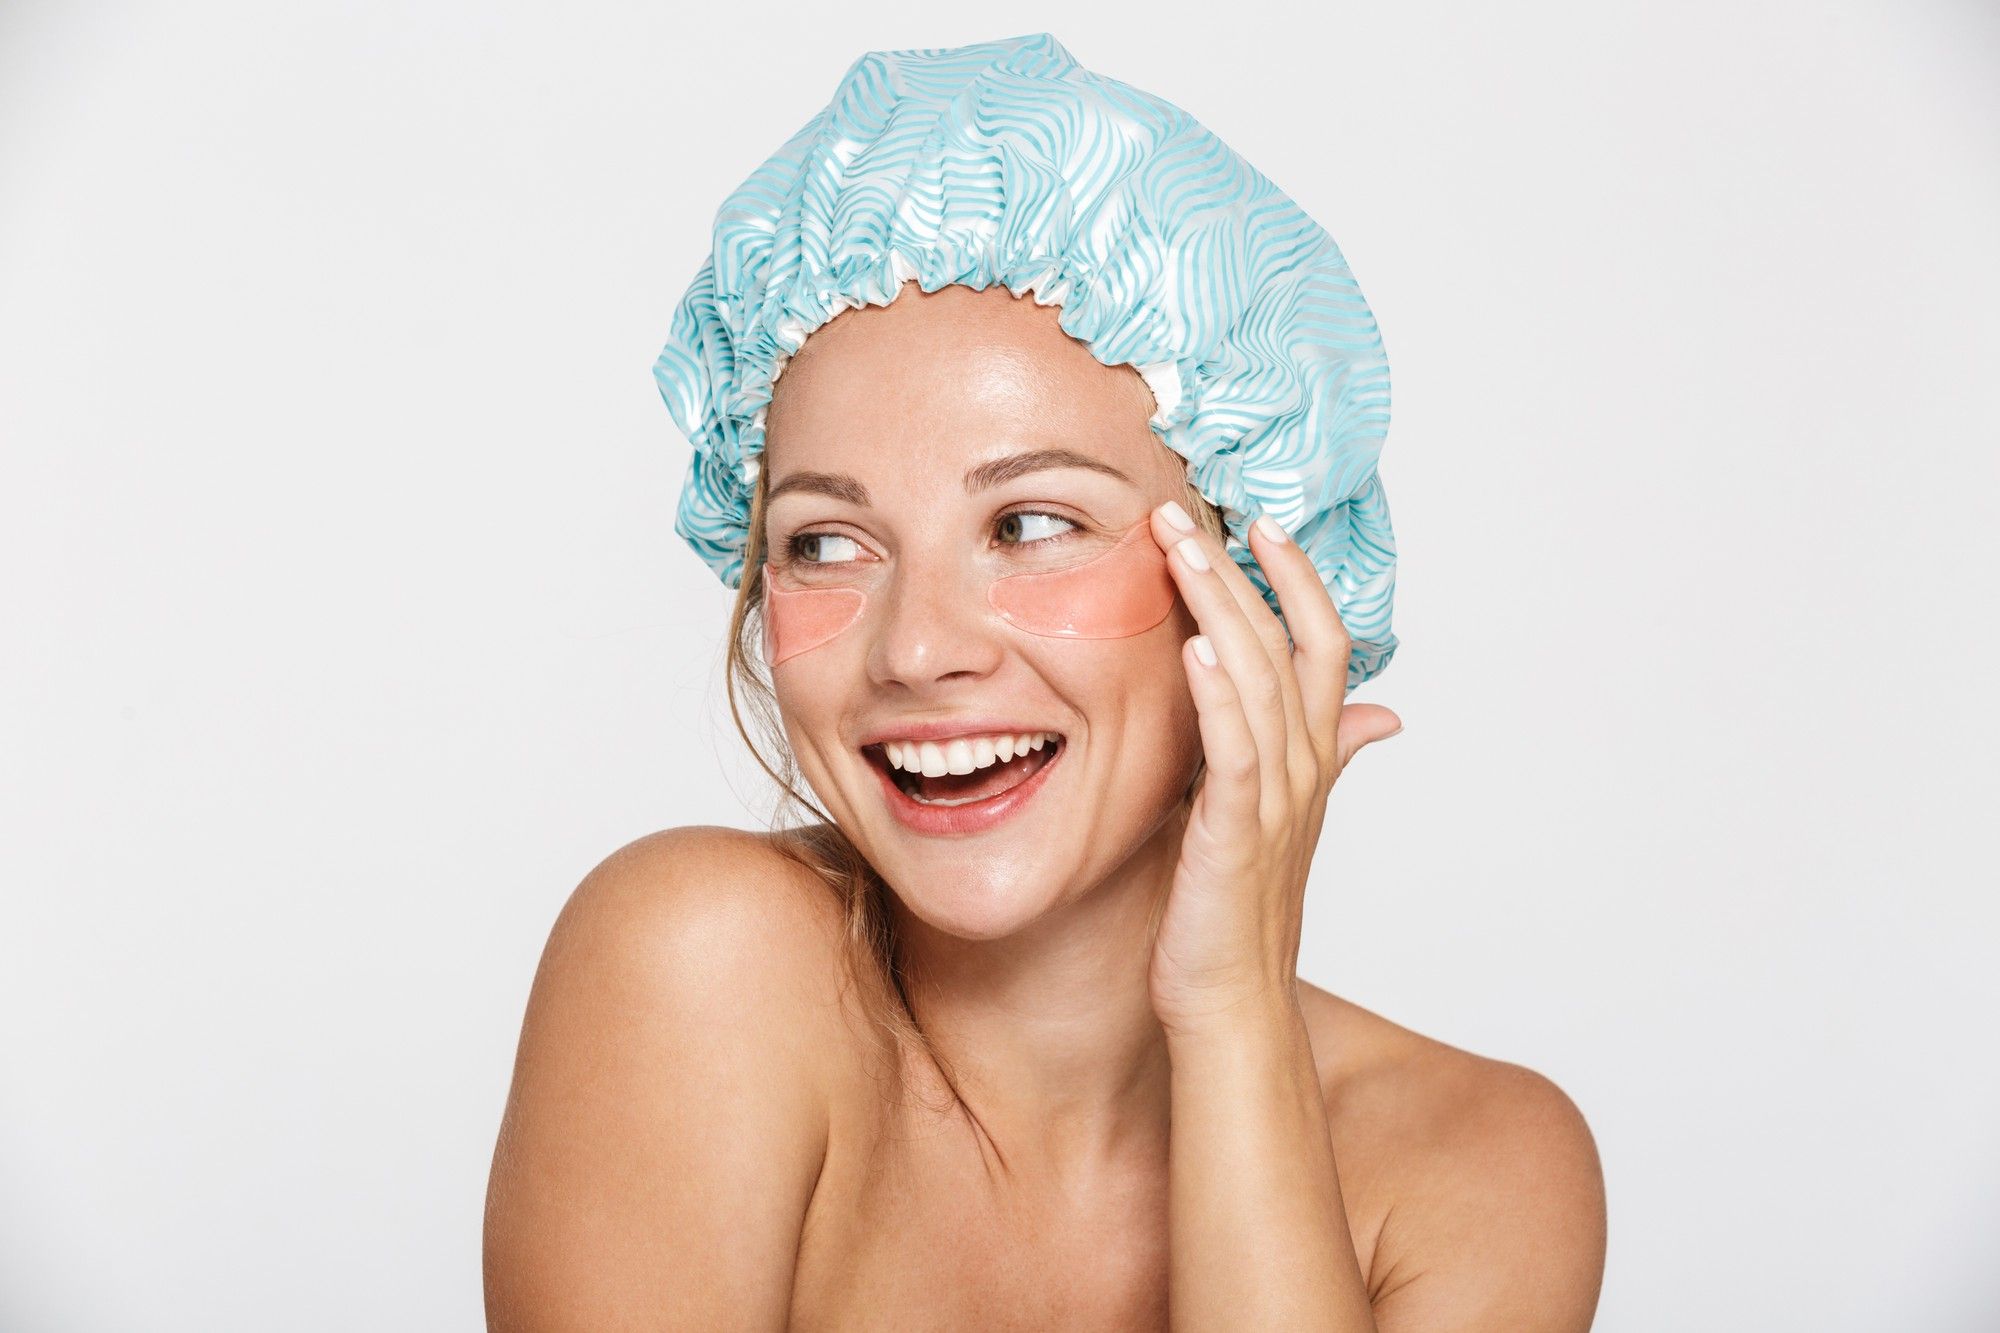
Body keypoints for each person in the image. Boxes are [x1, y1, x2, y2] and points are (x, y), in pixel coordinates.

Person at [484, 33, 1606, 1330]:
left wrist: (1235, 1016)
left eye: (1028, 525)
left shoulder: (1479, 1169)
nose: (916, 649)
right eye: (826, 542)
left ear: (1245, 576)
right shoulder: (698, 969)